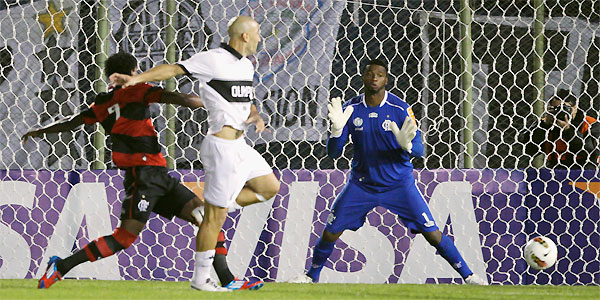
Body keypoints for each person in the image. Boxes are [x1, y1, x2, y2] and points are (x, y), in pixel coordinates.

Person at [24, 52, 263, 291]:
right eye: (138, 71)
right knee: (124, 238)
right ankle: (61, 267)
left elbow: (72, 122)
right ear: (134, 72)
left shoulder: (102, 103)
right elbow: (180, 98)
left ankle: (229, 279)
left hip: (159, 176)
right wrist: (217, 103)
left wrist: (40, 131)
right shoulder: (137, 90)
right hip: (143, 177)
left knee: (207, 217)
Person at [109, 16, 281, 291]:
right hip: (221, 148)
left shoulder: (246, 66)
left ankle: (212, 207)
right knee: (215, 219)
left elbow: (245, 101)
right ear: (245, 36)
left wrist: (256, 116)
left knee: (269, 187)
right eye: (258, 33)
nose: (261, 38)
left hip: (241, 147)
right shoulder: (212, 59)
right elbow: (171, 70)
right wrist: (137, 79)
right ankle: (201, 279)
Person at [290, 59, 488, 285]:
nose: (374, 78)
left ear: (386, 79)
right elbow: (334, 154)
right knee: (331, 232)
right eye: (370, 74)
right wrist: (336, 131)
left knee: (432, 233)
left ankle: (469, 276)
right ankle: (310, 277)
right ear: (363, 77)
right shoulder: (350, 109)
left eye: (380, 74)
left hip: (398, 184)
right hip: (362, 184)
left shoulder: (400, 108)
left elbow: (420, 151)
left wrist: (408, 146)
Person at [518, 90, 599, 169]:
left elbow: (591, 153)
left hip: (585, 171)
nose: (561, 112)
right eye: (557, 109)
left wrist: (568, 130)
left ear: (575, 107)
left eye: (564, 108)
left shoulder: (590, 124)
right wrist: (544, 126)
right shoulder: (545, 123)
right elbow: (528, 150)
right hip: (555, 171)